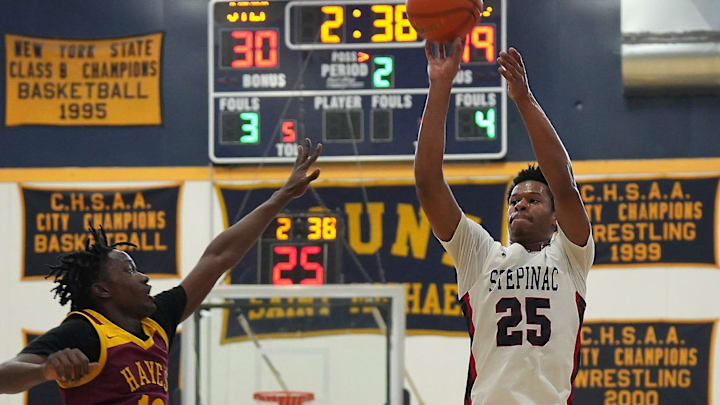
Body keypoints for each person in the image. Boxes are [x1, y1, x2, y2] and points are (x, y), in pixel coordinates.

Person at [0, 139, 322, 404]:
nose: (144, 277)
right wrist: (44, 371)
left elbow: (219, 257)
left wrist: (281, 197)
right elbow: (5, 376)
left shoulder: (157, 321)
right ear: (103, 289)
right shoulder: (85, 332)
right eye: (129, 270)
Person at [414, 38, 593, 404]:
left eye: (533, 200)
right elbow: (428, 183)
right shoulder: (480, 255)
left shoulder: (570, 258)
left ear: (556, 217)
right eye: (514, 201)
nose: (520, 206)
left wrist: (524, 100)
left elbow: (564, 183)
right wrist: (441, 85)